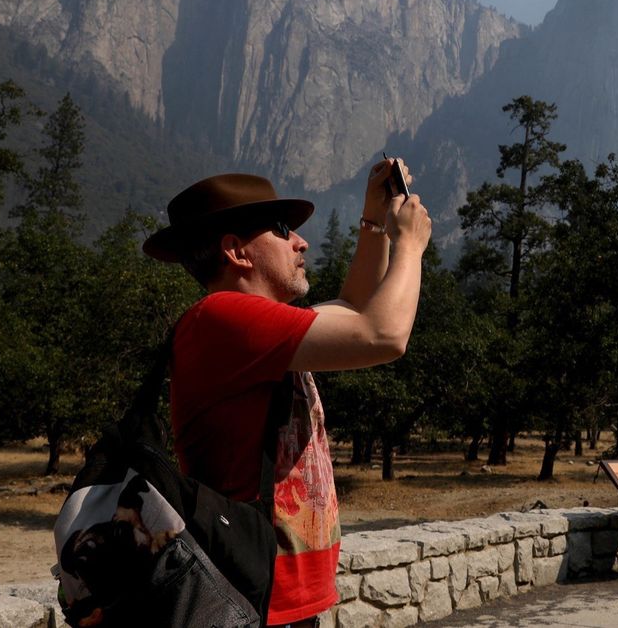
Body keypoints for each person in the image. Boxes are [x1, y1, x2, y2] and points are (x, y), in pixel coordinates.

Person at [143, 163, 430, 628]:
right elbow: (383, 335)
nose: (302, 242)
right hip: (253, 599)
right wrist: (410, 246)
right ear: (236, 251)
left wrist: (374, 223)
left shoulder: (252, 329)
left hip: (276, 596)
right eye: (282, 231)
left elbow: (356, 310)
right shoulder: (222, 318)